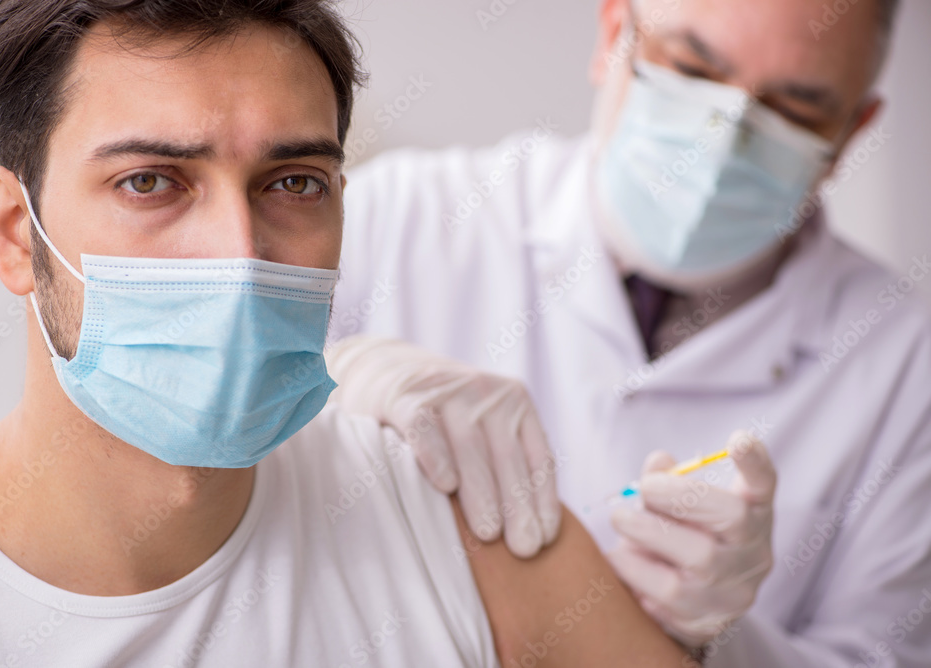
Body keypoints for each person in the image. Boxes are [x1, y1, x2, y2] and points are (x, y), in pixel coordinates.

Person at [0, 1, 691, 666]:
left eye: (293, 182)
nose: (240, 251)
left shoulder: (447, 501)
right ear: (13, 236)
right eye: (150, 181)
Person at [328, 0, 931, 665]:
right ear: (613, 33)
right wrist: (334, 393)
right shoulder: (394, 218)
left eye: (793, 110)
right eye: (692, 66)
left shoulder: (906, 364)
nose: (722, 136)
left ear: (850, 132)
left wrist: (719, 642)